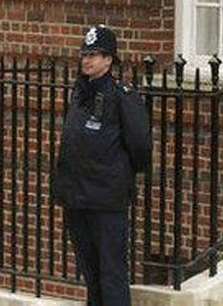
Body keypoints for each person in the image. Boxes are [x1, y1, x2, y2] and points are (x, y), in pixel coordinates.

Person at [53, 25, 151, 306]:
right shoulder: (79, 95)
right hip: (77, 197)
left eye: (95, 54)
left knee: (111, 274)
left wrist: (117, 175)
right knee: (90, 272)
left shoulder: (122, 96)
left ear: (109, 60)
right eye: (85, 54)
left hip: (106, 199)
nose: (87, 60)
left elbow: (140, 146)